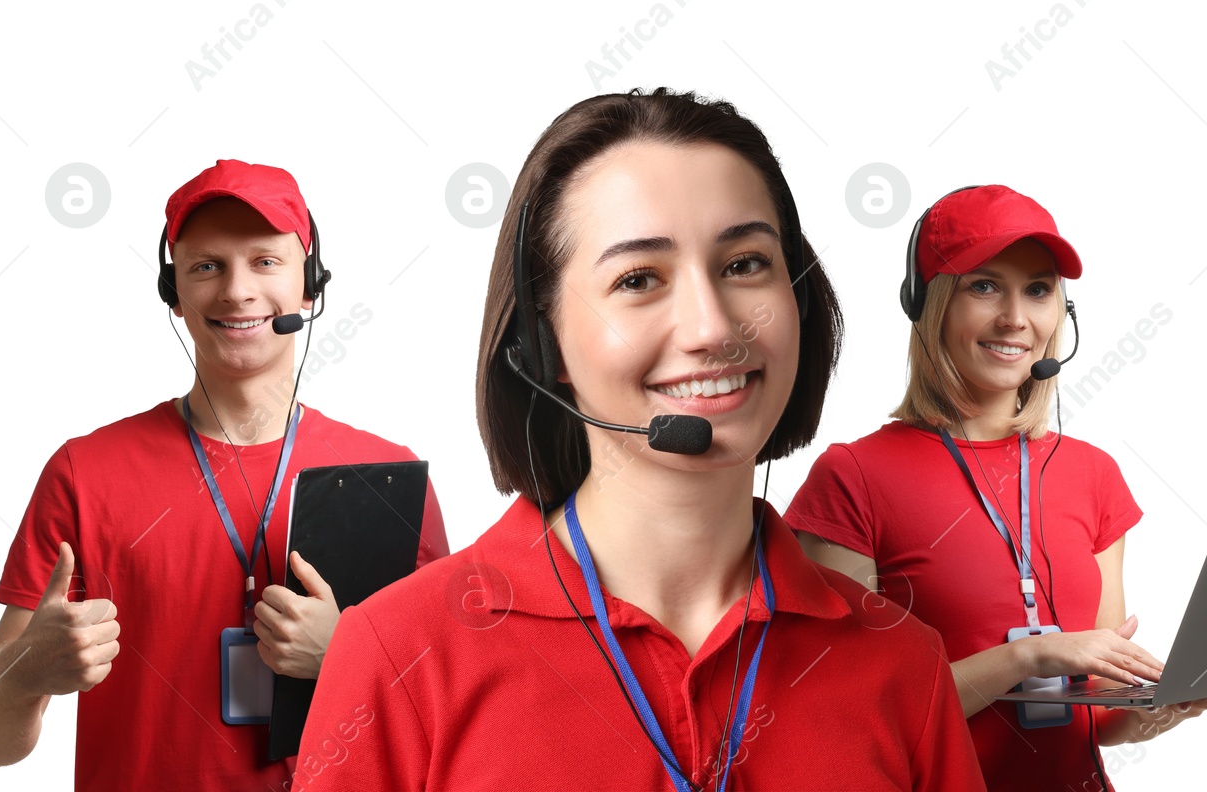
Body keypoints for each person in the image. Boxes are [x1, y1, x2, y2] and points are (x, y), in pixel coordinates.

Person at [293, 89, 986, 791]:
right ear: (543, 347)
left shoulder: (902, 664)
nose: (713, 327)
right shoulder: (399, 652)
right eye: (638, 279)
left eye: (745, 264)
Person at [0, 159, 450, 790]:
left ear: (310, 286)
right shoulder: (84, 473)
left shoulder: (389, 475)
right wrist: (26, 672)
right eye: (206, 266)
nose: (237, 291)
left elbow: (452, 720)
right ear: (175, 294)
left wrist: (348, 656)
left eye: (265, 262)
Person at [787, 185, 1207, 790]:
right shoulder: (854, 476)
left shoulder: (1093, 474)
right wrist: (1028, 657)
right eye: (984, 286)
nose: (1016, 318)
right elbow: (852, 713)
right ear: (926, 303)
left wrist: (1173, 703)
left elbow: (1102, 717)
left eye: (1038, 290)